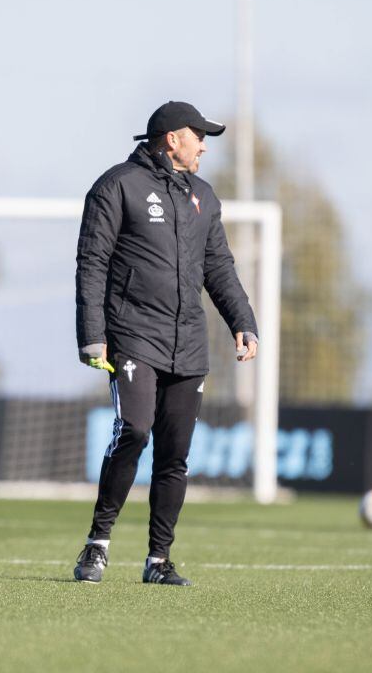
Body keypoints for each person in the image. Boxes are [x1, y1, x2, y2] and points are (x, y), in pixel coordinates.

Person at [73, 101, 259, 585]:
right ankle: (97, 544)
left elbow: (219, 268)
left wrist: (243, 320)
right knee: (133, 430)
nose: (204, 146)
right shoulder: (117, 185)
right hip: (133, 335)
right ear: (172, 138)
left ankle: (158, 561)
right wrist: (92, 335)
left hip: (189, 345)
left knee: (174, 454)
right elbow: (91, 262)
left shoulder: (204, 196)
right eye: (199, 136)